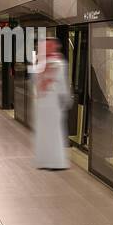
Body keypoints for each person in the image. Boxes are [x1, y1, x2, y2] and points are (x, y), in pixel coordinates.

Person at [33, 38, 71, 170]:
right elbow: (62, 86)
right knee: (55, 133)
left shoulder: (39, 65)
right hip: (53, 104)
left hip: (41, 104)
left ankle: (43, 161)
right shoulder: (59, 63)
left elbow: (34, 83)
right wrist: (66, 100)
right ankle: (56, 162)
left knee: (43, 134)